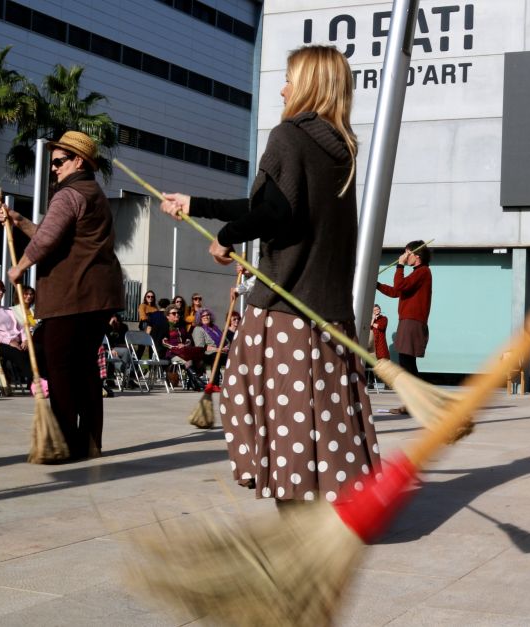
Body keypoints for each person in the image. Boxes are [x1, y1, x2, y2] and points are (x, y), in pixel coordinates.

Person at [160, 45, 380, 505]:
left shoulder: (289, 136)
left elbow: (274, 212)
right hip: (330, 313)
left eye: (289, 80)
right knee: (322, 414)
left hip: (285, 309)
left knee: (254, 400)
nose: (282, 90)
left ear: (309, 86)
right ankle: (333, 495)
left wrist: (226, 237)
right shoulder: (340, 149)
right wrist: (196, 205)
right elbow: (270, 203)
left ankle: (292, 497)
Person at [0, 129, 126, 461]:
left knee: (60, 368)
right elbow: (53, 233)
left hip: (72, 295)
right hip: (98, 296)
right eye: (53, 162)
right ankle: (90, 441)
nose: (53, 168)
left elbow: (46, 240)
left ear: (78, 161)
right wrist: (19, 220)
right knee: (84, 367)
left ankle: (62, 442)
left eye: (59, 161)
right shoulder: (92, 192)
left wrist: (19, 267)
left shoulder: (69, 194)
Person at [375, 240, 433, 412]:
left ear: (417, 255)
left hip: (412, 321)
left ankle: (417, 402)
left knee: (407, 364)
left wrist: (399, 265)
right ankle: (416, 402)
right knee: (407, 363)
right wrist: (377, 285)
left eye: (407, 253)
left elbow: (400, 285)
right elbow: (397, 291)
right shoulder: (418, 273)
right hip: (408, 321)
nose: (404, 256)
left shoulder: (423, 272)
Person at [160, 305, 203, 387]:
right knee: (188, 361)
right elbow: (163, 342)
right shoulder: (165, 327)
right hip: (172, 353)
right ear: (167, 316)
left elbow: (188, 339)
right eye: (174, 313)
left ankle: (193, 382)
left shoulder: (181, 327)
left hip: (184, 351)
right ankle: (196, 381)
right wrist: (175, 347)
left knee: (198, 359)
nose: (177, 315)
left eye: (178, 313)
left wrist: (184, 345)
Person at [191, 307, 226, 383]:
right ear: (199, 318)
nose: (206, 317)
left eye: (207, 315)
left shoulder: (215, 328)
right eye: (203, 316)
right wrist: (217, 349)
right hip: (207, 355)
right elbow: (200, 347)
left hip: (221, 352)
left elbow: (226, 341)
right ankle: (214, 383)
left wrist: (226, 347)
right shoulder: (198, 329)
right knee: (216, 356)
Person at [368, 304, 389, 390]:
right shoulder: (371, 319)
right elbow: (369, 327)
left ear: (380, 310)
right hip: (372, 345)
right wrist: (373, 319)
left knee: (384, 364)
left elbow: (381, 327)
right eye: (374, 310)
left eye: (377, 309)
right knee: (371, 364)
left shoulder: (384, 318)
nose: (376, 311)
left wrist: (373, 324)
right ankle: (371, 383)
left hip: (381, 344)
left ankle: (387, 384)